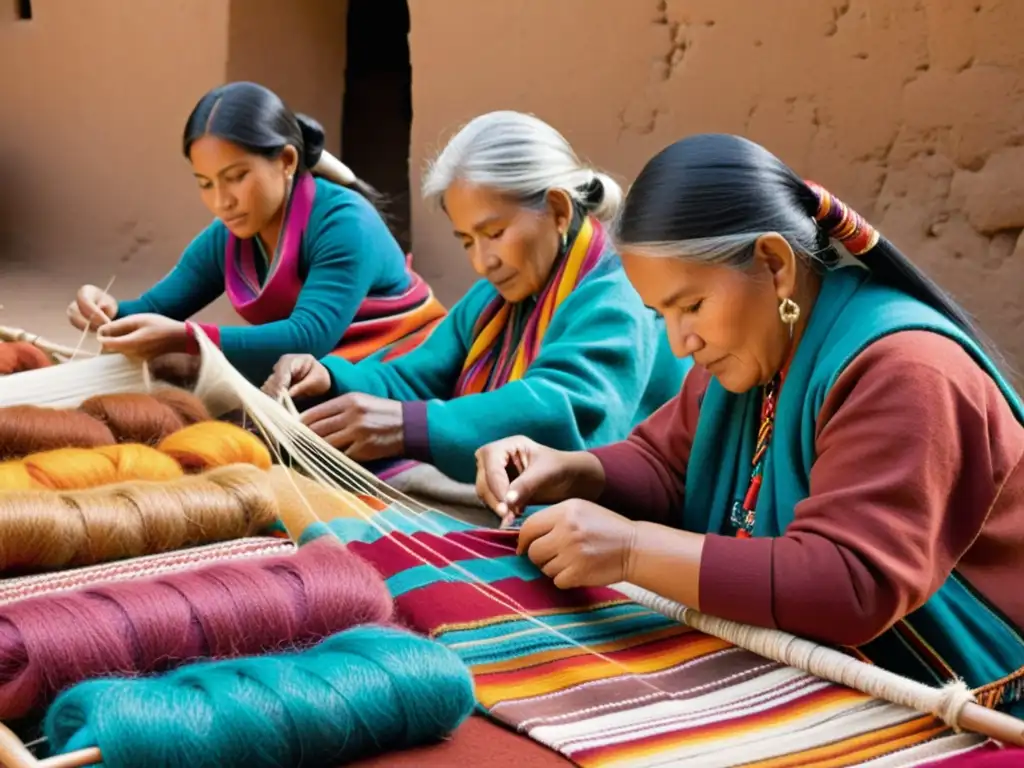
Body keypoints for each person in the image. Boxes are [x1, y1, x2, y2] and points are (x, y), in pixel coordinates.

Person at [474, 134, 1024, 716]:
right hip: (843, 675)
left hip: (978, 703)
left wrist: (632, 550)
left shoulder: (906, 370)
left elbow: (849, 583)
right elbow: (668, 466)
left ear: (774, 265)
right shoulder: (757, 349)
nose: (680, 343)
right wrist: (567, 469)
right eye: (662, 314)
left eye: (691, 306)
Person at [263, 111, 690, 489]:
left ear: (559, 210)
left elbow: (564, 408)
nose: (483, 262)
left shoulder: (618, 291)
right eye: (467, 241)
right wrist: (330, 379)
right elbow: (418, 376)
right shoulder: (495, 298)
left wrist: (407, 427)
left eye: (495, 233)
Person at [67, 81, 446, 384]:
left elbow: (308, 338)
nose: (221, 201)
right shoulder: (228, 238)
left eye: (236, 178)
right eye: (205, 183)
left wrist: (186, 338)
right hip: (317, 371)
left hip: (406, 367)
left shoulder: (344, 224)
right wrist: (106, 309)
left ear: (286, 161)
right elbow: (153, 311)